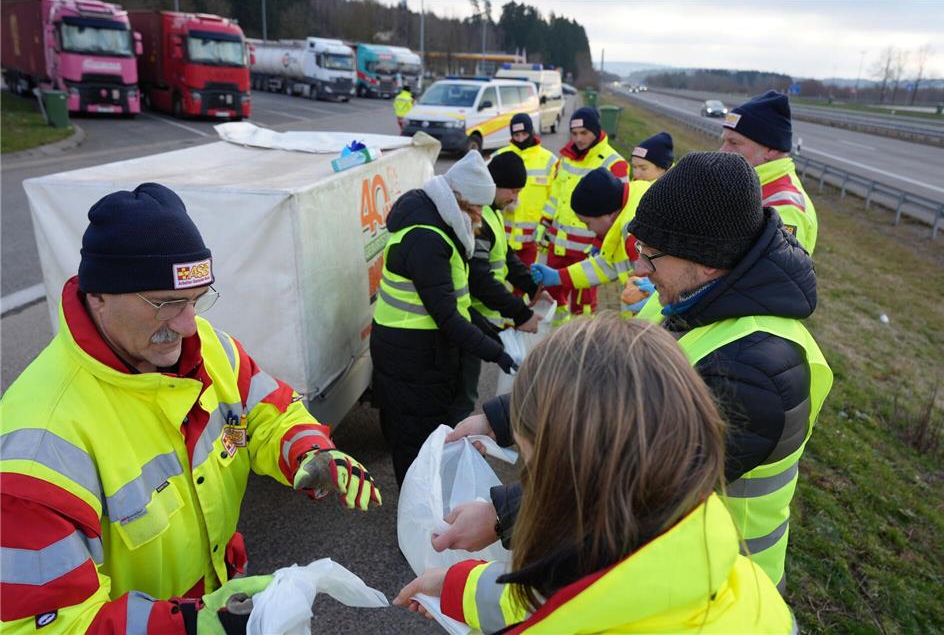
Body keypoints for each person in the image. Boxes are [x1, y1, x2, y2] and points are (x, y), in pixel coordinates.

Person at [438, 152, 833, 593]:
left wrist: (503, 515)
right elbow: (604, 375)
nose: (640, 268)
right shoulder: (687, 300)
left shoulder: (758, 371)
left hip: (719, 595)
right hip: (660, 572)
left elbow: (637, 482)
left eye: (651, 255)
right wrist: (502, 418)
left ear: (705, 260)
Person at [0, 184, 381, 635]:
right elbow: (47, 624)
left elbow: (259, 419)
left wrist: (308, 451)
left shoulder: (209, 348)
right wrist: (192, 625)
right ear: (99, 295)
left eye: (196, 300)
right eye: (167, 304)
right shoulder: (41, 447)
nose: (187, 324)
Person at [394, 315, 796, 633]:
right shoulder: (725, 571)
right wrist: (454, 588)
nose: (530, 482)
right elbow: (563, 595)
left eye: (533, 461)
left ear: (574, 475)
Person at [370, 151, 517, 486]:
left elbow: (458, 304)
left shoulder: (441, 227)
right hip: (410, 356)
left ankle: (428, 498)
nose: (480, 217)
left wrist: (493, 335)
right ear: (459, 198)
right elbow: (447, 316)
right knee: (414, 438)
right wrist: (495, 352)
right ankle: (417, 513)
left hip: (422, 352)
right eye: (477, 207)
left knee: (425, 432)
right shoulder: (427, 239)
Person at [456, 152, 544, 415]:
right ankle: (455, 444)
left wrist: (530, 284)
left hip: (480, 317)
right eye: (513, 190)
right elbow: (480, 279)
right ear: (493, 184)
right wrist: (520, 313)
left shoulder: (493, 212)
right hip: (469, 316)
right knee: (463, 392)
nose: (515, 198)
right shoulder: (480, 218)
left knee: (465, 388)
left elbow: (504, 255)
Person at [538, 107, 628, 324]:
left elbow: (617, 213)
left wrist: (601, 245)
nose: (578, 139)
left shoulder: (614, 162)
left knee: (584, 304)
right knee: (554, 295)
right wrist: (544, 224)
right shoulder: (566, 159)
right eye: (574, 133)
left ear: (596, 131)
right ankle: (558, 335)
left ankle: (583, 340)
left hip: (588, 248)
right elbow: (556, 197)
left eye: (584, 133)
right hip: (559, 243)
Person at [529, 168, 652, 315]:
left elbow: (651, 290)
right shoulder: (634, 199)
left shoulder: (634, 234)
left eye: (587, 223)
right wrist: (559, 276)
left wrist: (654, 298)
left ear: (607, 214)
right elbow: (609, 265)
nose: (590, 230)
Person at [720, 90, 819, 253]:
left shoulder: (785, 207)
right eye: (724, 141)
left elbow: (771, 276)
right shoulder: (745, 183)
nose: (722, 151)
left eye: (734, 143)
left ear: (771, 150)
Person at [493, 113, 558, 268]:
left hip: (533, 237)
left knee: (527, 282)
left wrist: (547, 225)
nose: (521, 139)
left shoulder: (550, 161)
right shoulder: (499, 157)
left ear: (531, 132)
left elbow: (556, 197)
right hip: (503, 235)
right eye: (516, 135)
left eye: (524, 134)